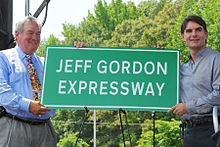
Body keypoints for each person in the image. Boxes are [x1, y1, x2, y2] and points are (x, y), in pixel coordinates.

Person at [0, 16, 57, 147]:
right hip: (14, 128)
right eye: (30, 33)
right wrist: (28, 105)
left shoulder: (47, 63)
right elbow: (2, 92)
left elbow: (66, 83)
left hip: (45, 130)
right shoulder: (3, 58)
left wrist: (80, 53)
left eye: (38, 34)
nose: (35, 38)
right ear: (17, 34)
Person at [168, 15, 220, 146]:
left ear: (206, 34)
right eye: (189, 31)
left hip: (214, 131)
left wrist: (188, 107)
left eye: (198, 30)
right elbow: (163, 87)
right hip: (189, 133)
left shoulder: (217, 60)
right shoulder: (182, 69)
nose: (194, 34)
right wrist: (160, 60)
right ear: (183, 37)